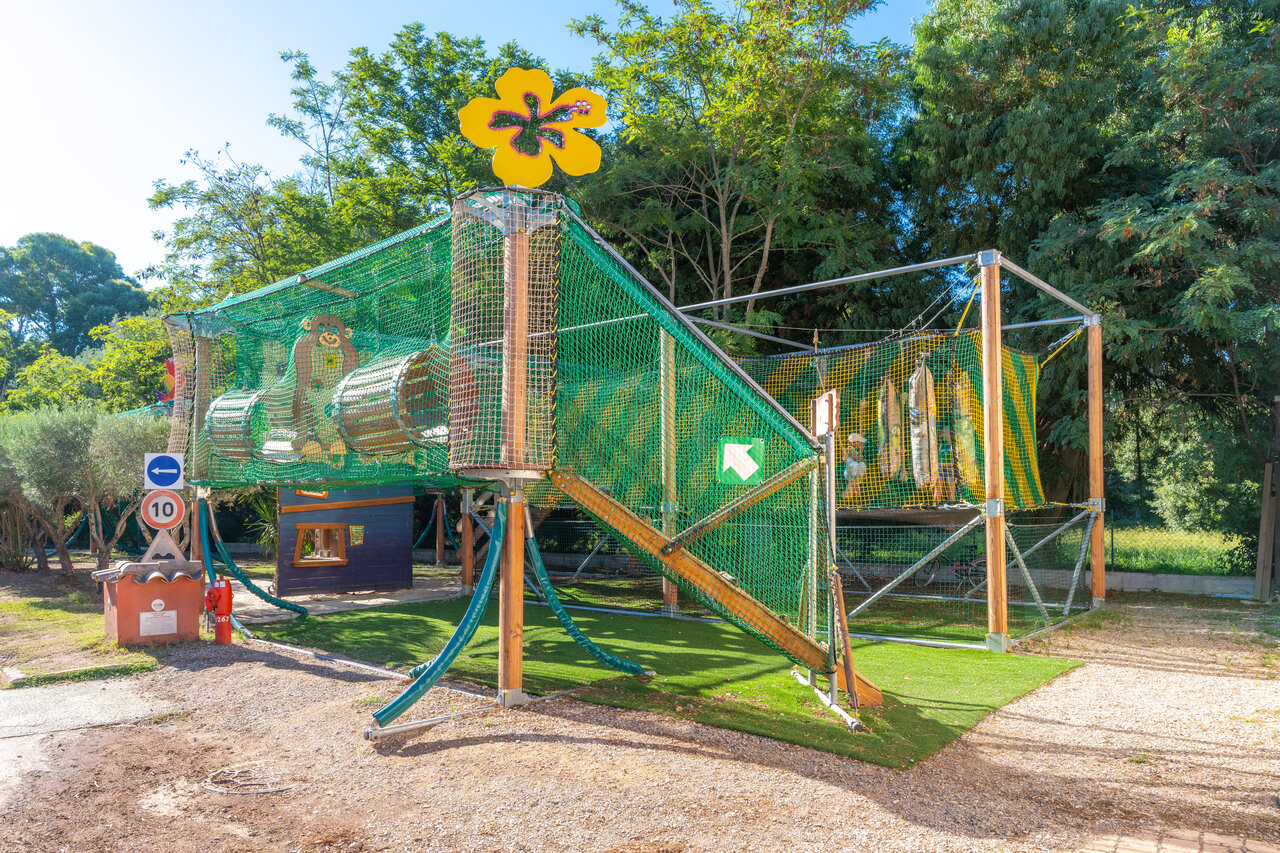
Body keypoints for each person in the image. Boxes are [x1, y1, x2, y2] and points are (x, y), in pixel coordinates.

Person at [841, 433, 867, 505]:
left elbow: (862, 461)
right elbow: (857, 459)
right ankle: (852, 490)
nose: (862, 445)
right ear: (854, 443)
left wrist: (860, 451)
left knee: (862, 465)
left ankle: (855, 486)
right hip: (849, 472)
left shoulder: (857, 451)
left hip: (856, 474)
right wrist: (861, 451)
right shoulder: (850, 449)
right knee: (855, 464)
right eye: (860, 443)